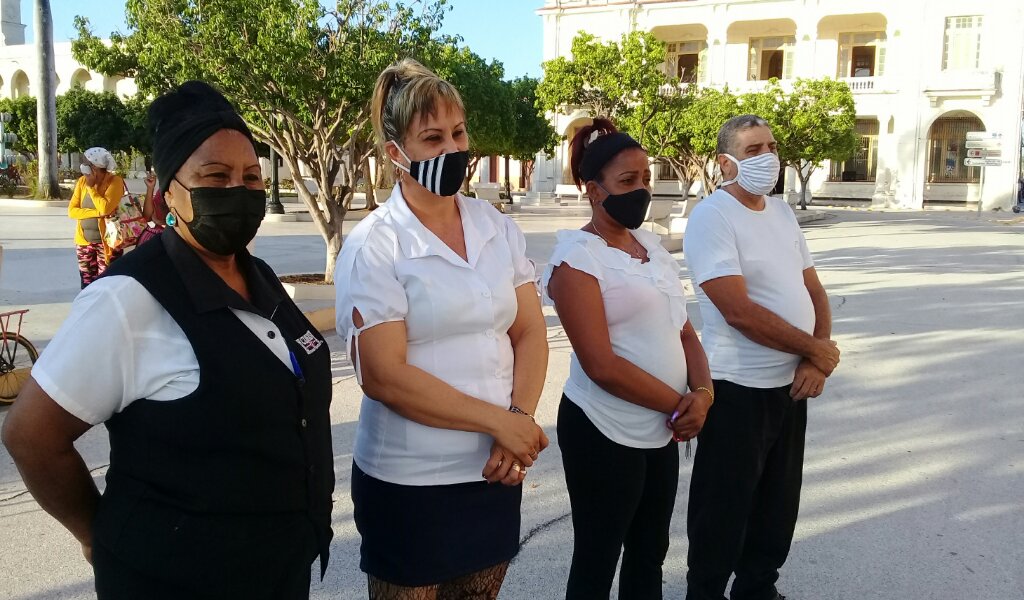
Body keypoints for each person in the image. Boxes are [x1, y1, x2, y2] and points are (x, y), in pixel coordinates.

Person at [1, 81, 334, 599]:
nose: (238, 191)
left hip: (276, 571)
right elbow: (30, 435)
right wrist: (99, 536)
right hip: (172, 582)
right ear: (167, 190)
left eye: (250, 177)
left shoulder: (260, 275)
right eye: (214, 176)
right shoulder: (128, 299)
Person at [334, 58, 549, 599]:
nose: (452, 149)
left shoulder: (495, 227)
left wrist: (517, 419)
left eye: (458, 133)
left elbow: (528, 333)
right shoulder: (376, 244)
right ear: (395, 154)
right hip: (410, 483)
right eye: (432, 138)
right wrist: (501, 422)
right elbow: (384, 375)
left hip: (493, 473)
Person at [543, 118, 713, 600]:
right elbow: (601, 365)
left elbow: (685, 331)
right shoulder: (577, 259)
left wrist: (703, 393)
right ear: (595, 191)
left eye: (646, 179)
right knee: (598, 557)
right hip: (603, 427)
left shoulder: (653, 249)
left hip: (662, 428)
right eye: (627, 181)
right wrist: (680, 406)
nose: (642, 190)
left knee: (649, 552)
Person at [682, 115, 840, 600]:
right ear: (725, 161)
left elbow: (812, 288)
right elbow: (738, 312)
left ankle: (757, 590)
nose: (767, 157)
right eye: (753, 150)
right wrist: (817, 350)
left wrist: (814, 361)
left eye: (771, 146)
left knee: (777, 505)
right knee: (722, 509)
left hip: (791, 386)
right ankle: (705, 592)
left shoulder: (781, 212)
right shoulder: (712, 217)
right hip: (737, 388)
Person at [68, 147, 125, 288]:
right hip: (84, 242)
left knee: (105, 283)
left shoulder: (115, 182)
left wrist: (92, 188)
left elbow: (106, 207)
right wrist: (97, 213)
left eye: (86, 162)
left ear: (95, 166)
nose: (83, 165)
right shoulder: (82, 182)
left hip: (108, 242)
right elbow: (72, 211)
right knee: (86, 283)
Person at [136, 169, 168, 246]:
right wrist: (150, 188)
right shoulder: (162, 190)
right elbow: (147, 217)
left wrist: (159, 222)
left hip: (170, 240)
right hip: (153, 237)